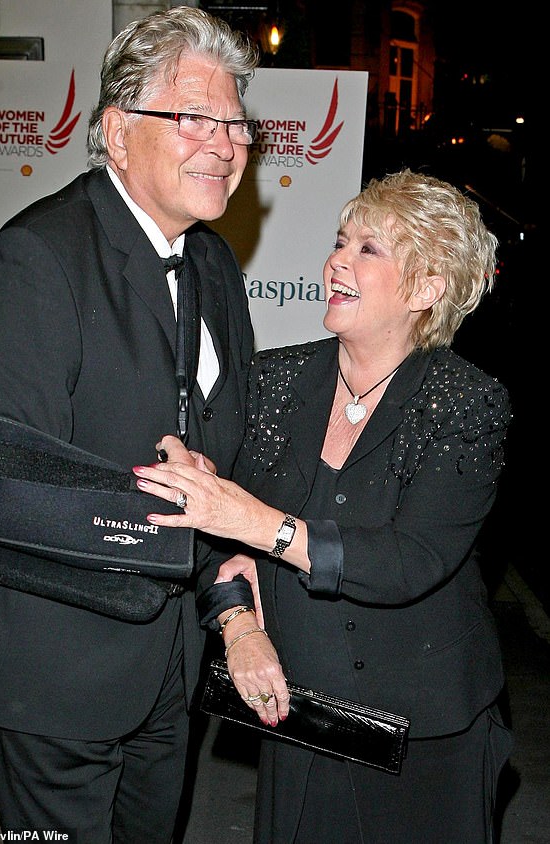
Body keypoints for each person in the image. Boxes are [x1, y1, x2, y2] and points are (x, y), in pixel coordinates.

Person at [0, 7, 259, 842]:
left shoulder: (214, 261)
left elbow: (221, 452)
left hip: (169, 661)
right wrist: (184, 503)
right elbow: (7, 490)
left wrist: (232, 603)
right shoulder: (38, 258)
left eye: (236, 123)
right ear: (116, 132)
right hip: (52, 659)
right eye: (194, 117)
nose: (224, 143)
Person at [132, 169, 514, 843]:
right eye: (342, 240)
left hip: (425, 732)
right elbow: (214, 540)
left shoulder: (464, 402)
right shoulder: (273, 379)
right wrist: (241, 631)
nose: (338, 259)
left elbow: (409, 561)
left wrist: (258, 523)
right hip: (298, 714)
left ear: (428, 288)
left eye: (371, 249)